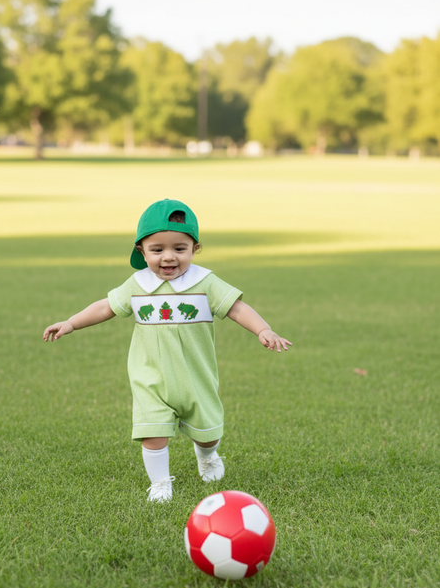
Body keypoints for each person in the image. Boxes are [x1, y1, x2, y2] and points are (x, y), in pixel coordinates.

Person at [43, 199, 291, 502]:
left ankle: (207, 455)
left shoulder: (205, 282)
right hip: (152, 378)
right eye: (157, 250)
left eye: (179, 248)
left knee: (209, 433)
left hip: (195, 377)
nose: (168, 257)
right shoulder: (138, 284)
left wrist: (262, 329)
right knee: (153, 433)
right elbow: (106, 307)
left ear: (194, 248)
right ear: (141, 251)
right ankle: (160, 482)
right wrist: (72, 323)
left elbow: (237, 308)